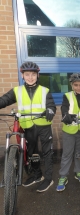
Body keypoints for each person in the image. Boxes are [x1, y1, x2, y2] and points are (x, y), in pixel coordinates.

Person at [0, 62, 56, 192]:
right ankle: (37, 176)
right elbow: (4, 100)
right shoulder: (17, 90)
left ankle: (48, 179)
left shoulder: (45, 90)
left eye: (33, 74)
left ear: (37, 75)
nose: (30, 77)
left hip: (44, 126)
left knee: (47, 152)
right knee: (32, 153)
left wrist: (50, 111)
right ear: (23, 76)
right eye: (27, 74)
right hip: (28, 126)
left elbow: (51, 106)